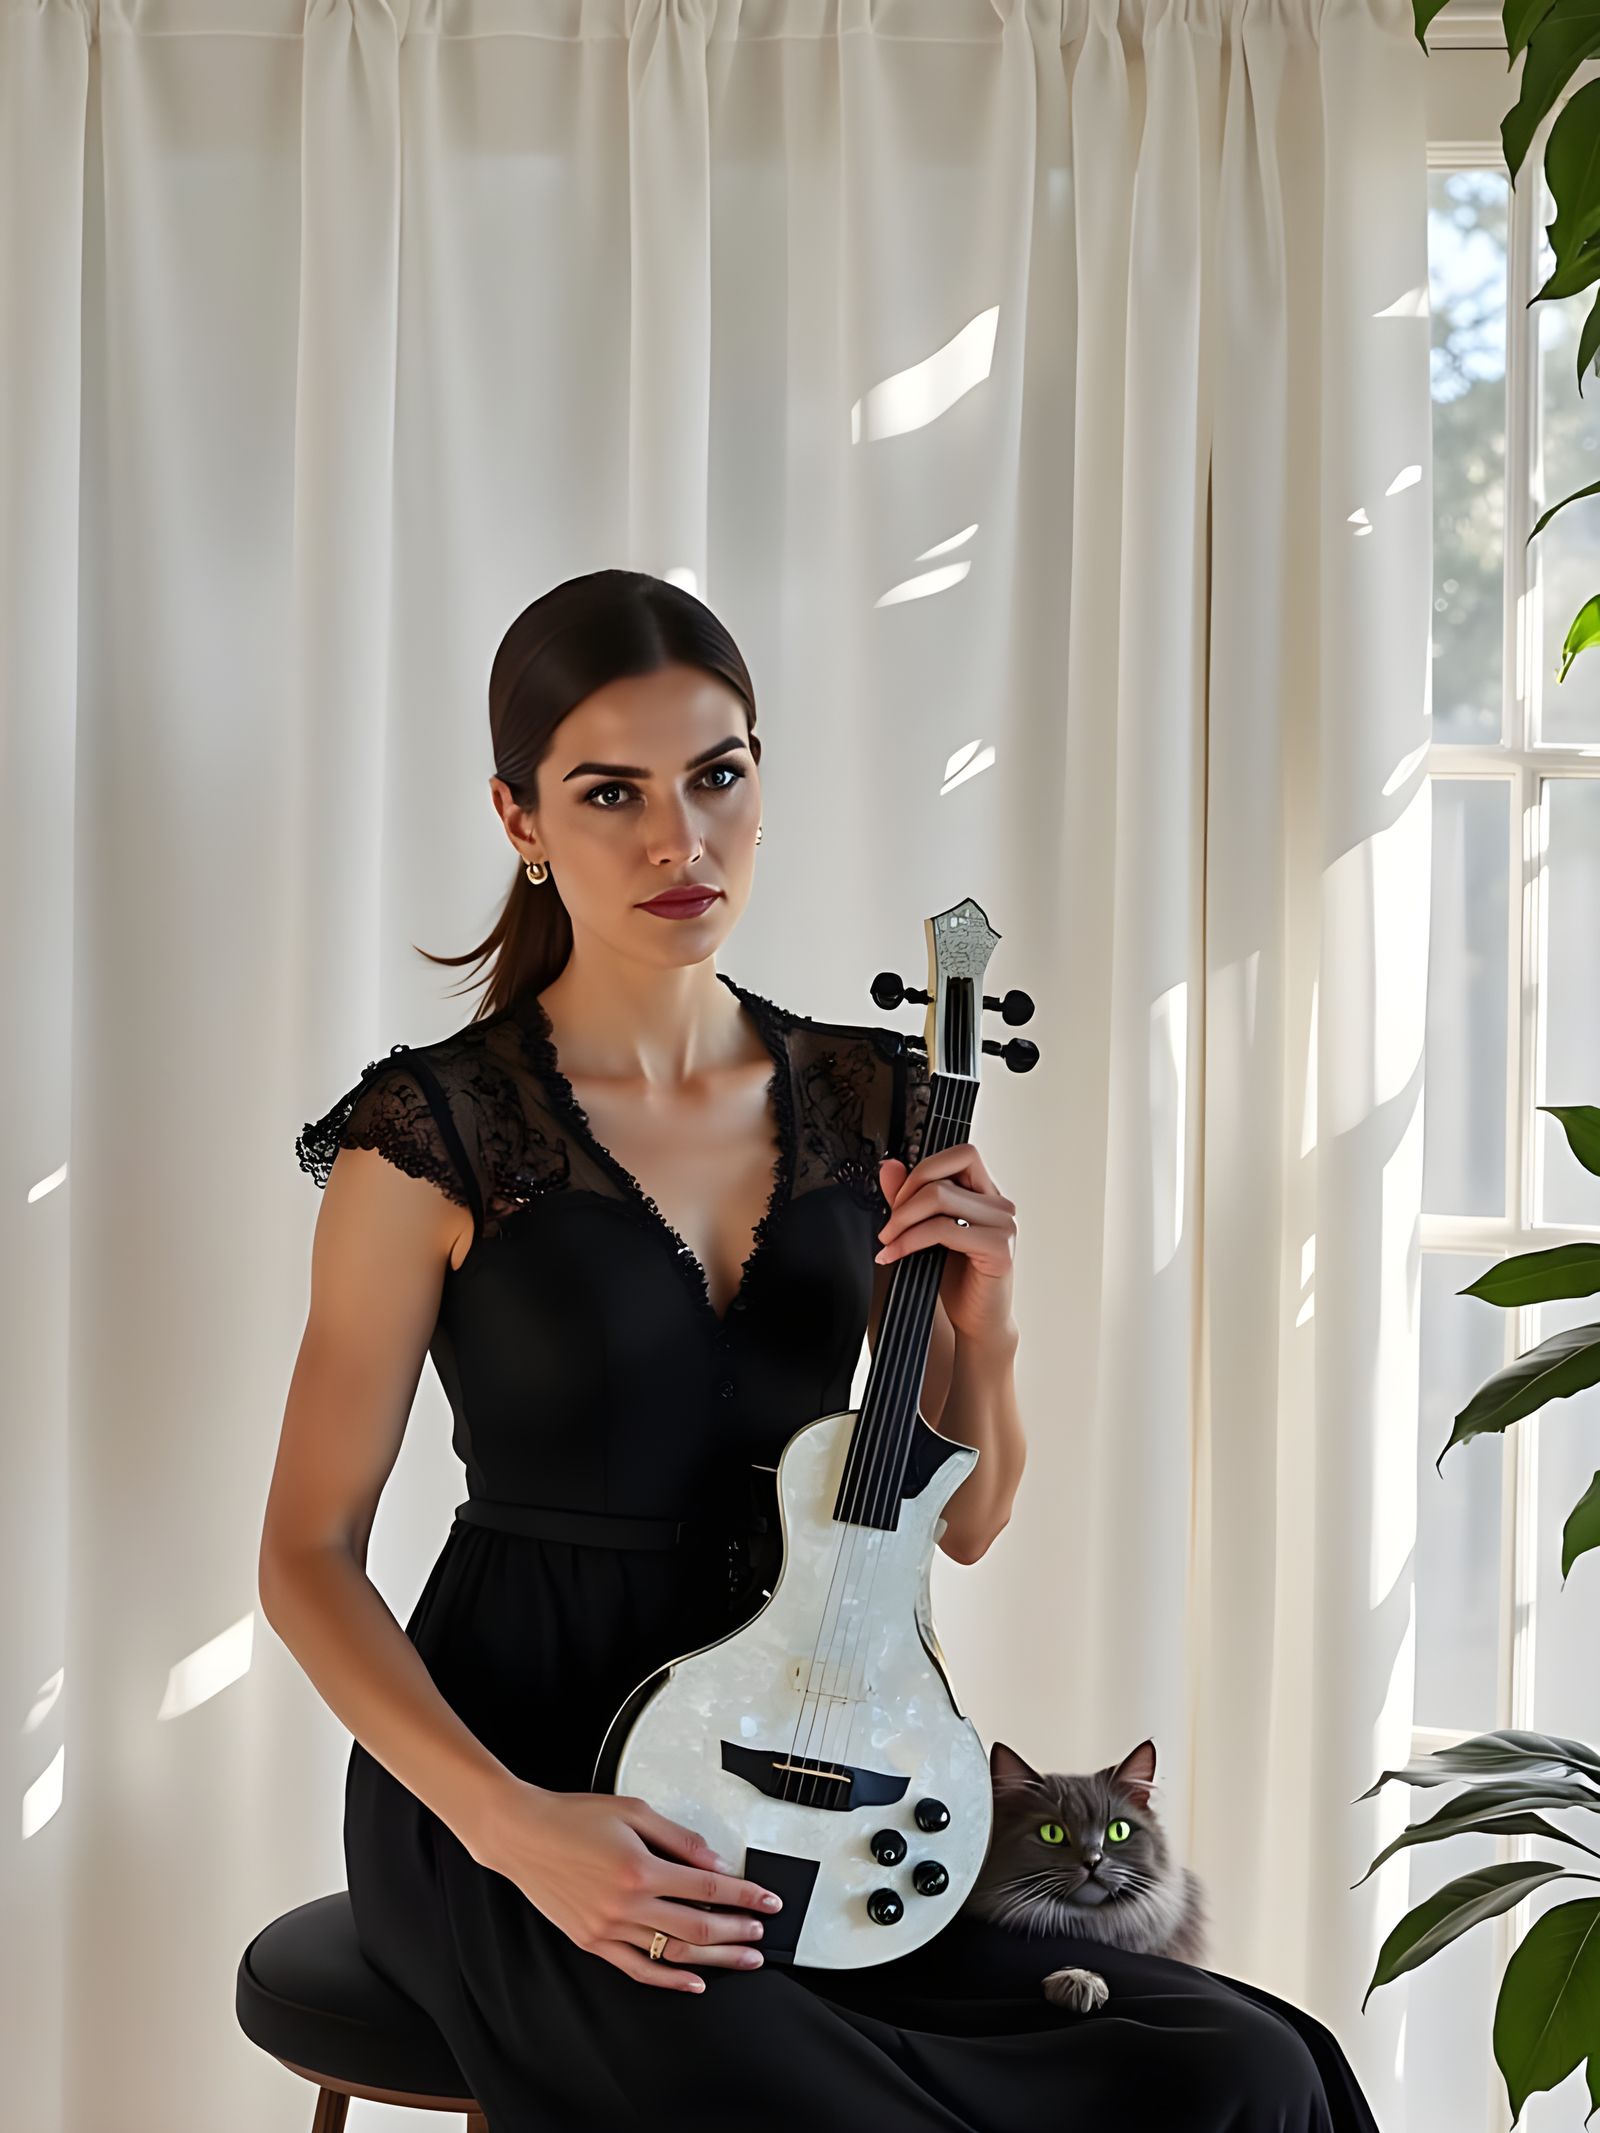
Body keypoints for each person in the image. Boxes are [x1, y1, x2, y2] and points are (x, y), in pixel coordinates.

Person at [258, 570, 1383, 2132]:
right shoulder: (429, 1131)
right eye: (612, 793)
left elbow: (963, 1522)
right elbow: (305, 1556)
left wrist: (988, 1330)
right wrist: (514, 1827)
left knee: (1250, 2066)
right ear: (521, 818)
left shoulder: (874, 1095)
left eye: (717, 775)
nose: (681, 840)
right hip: (523, 1778)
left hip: (829, 1757)